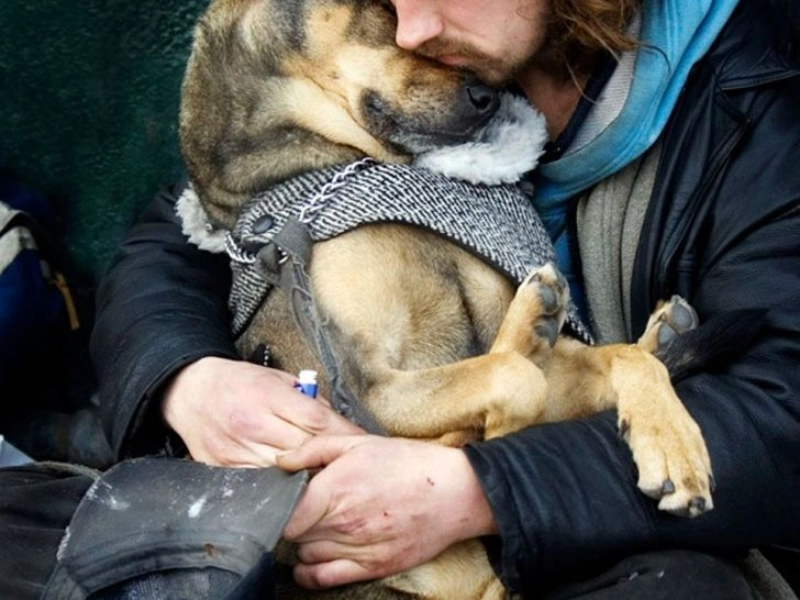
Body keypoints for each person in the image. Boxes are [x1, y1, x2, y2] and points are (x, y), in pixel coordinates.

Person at [87, 0, 800, 598]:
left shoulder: (760, 109)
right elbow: (183, 232)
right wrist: (186, 380)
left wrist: (479, 490)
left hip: (625, 534)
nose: (414, 26)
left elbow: (782, 421)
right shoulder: (422, 82)